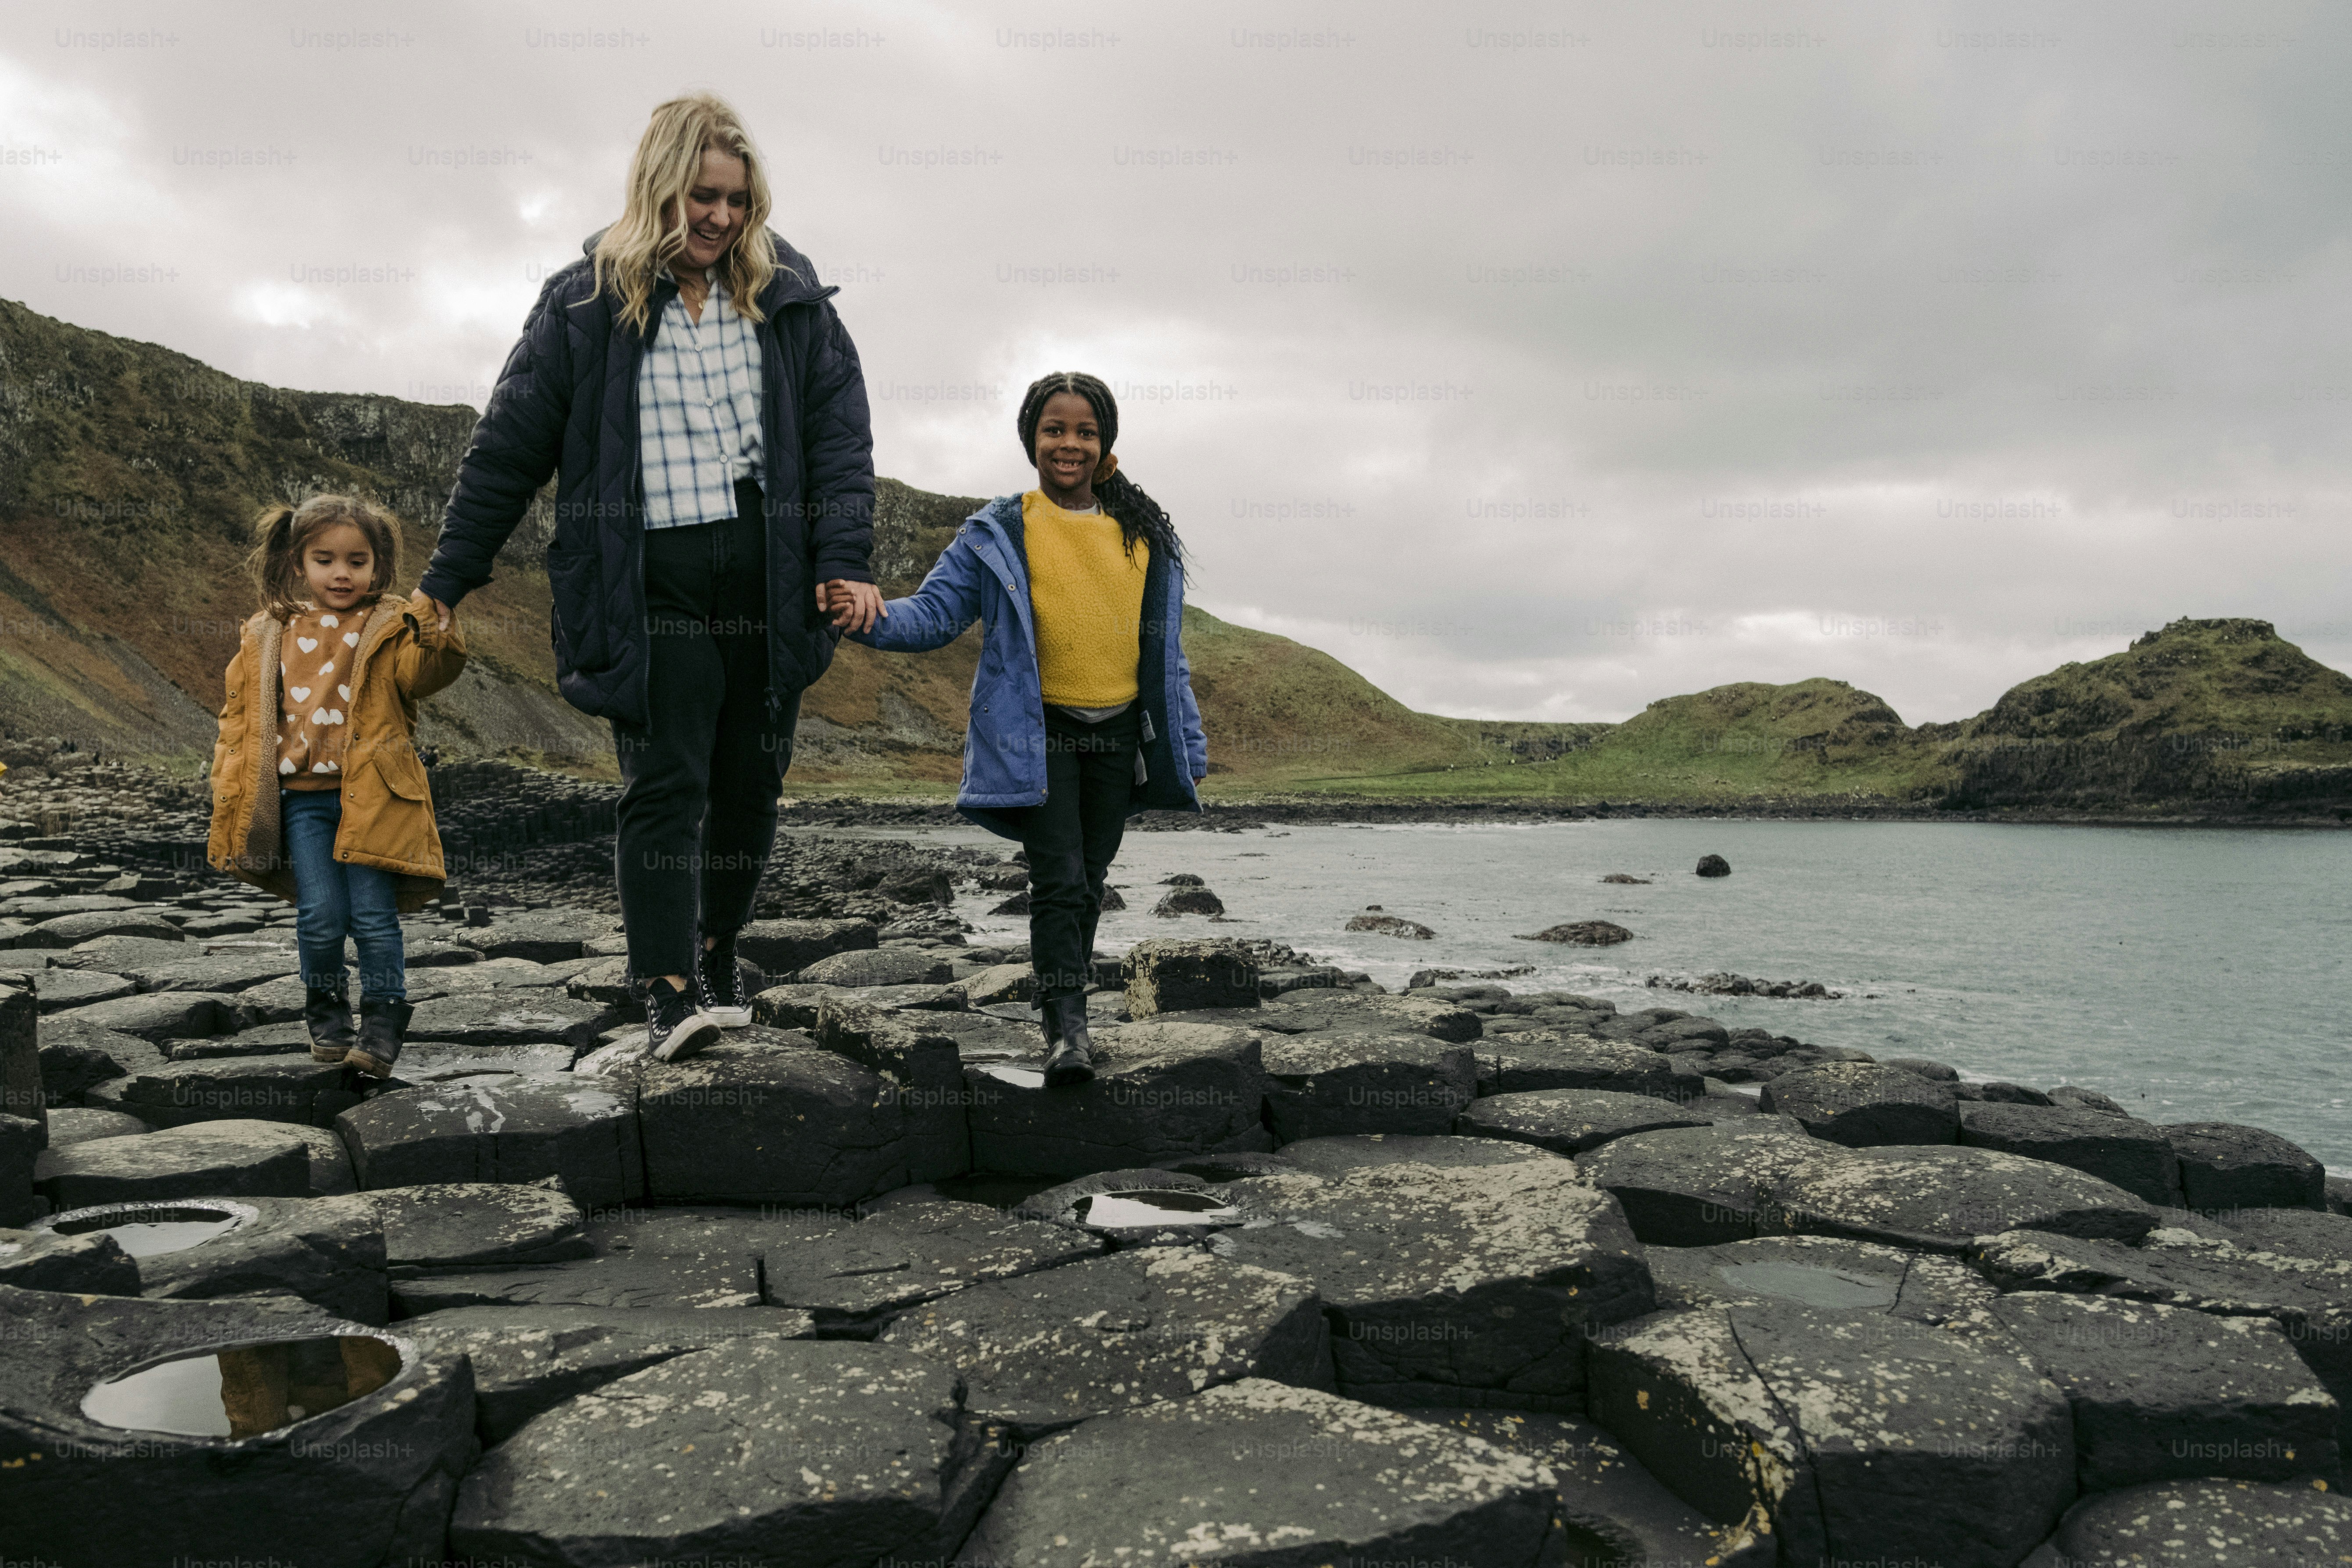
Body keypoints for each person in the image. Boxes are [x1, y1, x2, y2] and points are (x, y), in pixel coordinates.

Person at [414, 92, 882, 1064]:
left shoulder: (786, 294)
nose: (718, 219)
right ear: (657, 186)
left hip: (766, 576)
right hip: (646, 580)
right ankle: (664, 990)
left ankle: (716, 957)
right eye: (701, 197)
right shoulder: (582, 301)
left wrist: (842, 561)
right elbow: (506, 451)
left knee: (751, 781)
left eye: (737, 202)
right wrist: (445, 581)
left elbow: (840, 438)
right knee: (669, 778)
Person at [846, 372, 1208, 1084]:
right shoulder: (998, 530)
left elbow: (1170, 657)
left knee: (1092, 877)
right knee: (1060, 877)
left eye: (1084, 432)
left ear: (1104, 445)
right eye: (1054, 429)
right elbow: (935, 614)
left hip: (1116, 736)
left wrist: (1189, 744)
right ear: (1031, 439)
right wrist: (869, 617)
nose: (1068, 443)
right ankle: (1066, 1030)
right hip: (1037, 735)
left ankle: (1068, 1010)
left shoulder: (1141, 538)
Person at [206, 495, 468, 1077]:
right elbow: (240, 717)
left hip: (373, 797)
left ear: (379, 566)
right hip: (302, 802)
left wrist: (438, 631)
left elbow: (425, 675)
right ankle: (326, 1013)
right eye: (325, 559)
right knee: (320, 917)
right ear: (298, 563)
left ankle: (383, 1018)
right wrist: (229, 783)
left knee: (374, 917)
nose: (342, 573)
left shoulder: (392, 624)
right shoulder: (266, 632)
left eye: (357, 560)